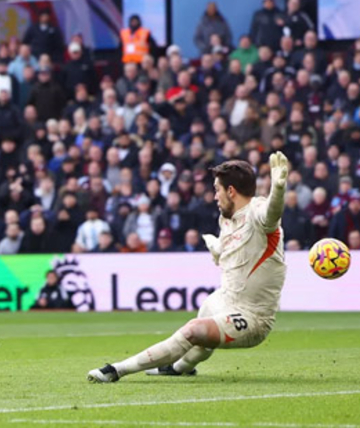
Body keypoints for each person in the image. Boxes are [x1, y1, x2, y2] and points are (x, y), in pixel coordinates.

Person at [88, 153, 289, 383]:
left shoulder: (257, 210)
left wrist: (279, 190)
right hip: (226, 300)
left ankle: (117, 369)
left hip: (252, 318)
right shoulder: (227, 219)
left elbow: (271, 215)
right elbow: (238, 252)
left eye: (217, 190)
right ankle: (181, 367)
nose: (215, 196)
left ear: (231, 191)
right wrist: (219, 250)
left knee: (194, 330)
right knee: (205, 315)